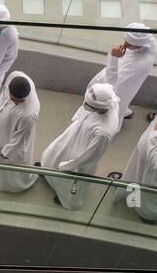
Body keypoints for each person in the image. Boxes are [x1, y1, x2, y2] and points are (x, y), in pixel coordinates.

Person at [40, 49, 123, 210]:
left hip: (79, 154)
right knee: (53, 153)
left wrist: (68, 166)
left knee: (68, 179)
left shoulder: (104, 131)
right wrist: (113, 59)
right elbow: (112, 78)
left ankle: (67, 200)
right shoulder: (109, 97)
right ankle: (47, 171)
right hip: (76, 133)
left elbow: (89, 156)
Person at [88, 24, 157, 121]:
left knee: (115, 103)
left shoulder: (139, 63)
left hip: (120, 84)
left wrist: (114, 58)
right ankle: (125, 112)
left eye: (128, 44)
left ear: (138, 45)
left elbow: (111, 83)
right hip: (125, 81)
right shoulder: (146, 43)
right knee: (121, 102)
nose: (124, 45)